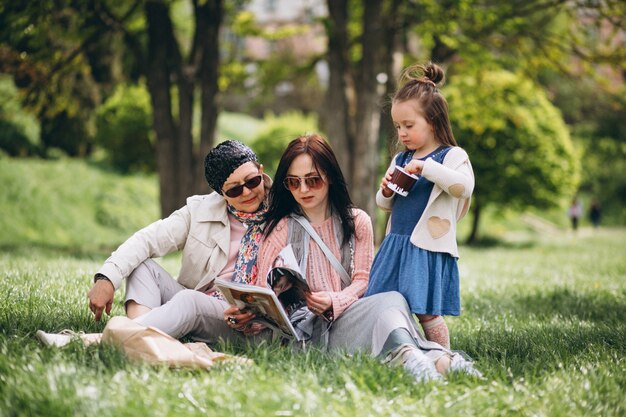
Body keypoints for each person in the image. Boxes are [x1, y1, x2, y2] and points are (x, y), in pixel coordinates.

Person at [255, 133, 480, 382]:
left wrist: (336, 300)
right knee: (389, 311)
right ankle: (436, 359)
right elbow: (261, 291)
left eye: (313, 180)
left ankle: (430, 361)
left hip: (349, 317)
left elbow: (363, 279)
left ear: (329, 176)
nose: (304, 189)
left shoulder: (358, 221)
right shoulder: (280, 228)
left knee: (392, 299)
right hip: (307, 330)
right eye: (293, 182)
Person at [86, 140, 273, 343]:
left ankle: (113, 338)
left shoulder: (284, 211)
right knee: (142, 267)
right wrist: (107, 278)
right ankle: (144, 341)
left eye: (253, 181)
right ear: (222, 194)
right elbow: (147, 240)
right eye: (235, 190)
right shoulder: (200, 211)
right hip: (201, 303)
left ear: (261, 171)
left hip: (248, 322)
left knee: (189, 301)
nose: (247, 192)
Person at [364, 62, 475, 350]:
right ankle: (392, 349)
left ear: (434, 121)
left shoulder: (451, 156)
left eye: (409, 125)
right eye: (398, 126)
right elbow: (384, 203)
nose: (402, 133)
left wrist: (425, 168)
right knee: (380, 302)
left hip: (425, 247)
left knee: (425, 311)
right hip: (395, 243)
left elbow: (463, 186)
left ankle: (441, 354)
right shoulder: (401, 158)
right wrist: (386, 190)